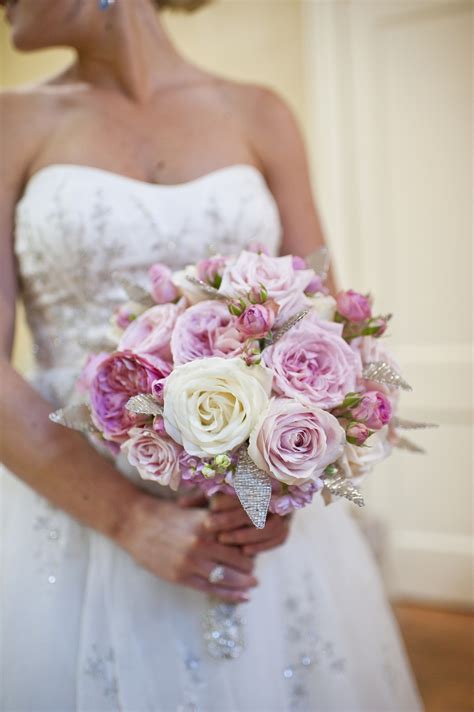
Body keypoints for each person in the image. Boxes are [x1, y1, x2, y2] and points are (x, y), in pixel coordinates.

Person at [0, 0, 423, 710]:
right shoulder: (12, 121)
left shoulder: (260, 115)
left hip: (249, 514)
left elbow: (328, 328)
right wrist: (131, 520)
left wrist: (285, 479)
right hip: (69, 503)